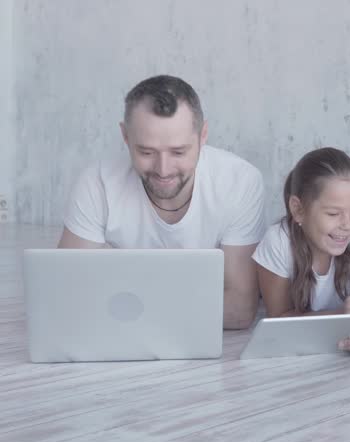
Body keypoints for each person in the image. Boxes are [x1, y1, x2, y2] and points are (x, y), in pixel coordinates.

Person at [59, 75, 266, 329]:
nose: (163, 169)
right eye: (146, 152)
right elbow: (68, 294)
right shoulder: (96, 182)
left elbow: (239, 310)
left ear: (203, 136)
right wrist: (195, 299)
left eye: (179, 152)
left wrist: (126, 294)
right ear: (125, 136)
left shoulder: (240, 182)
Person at [252, 147, 350, 356]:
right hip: (294, 354)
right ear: (298, 209)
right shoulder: (277, 241)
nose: (348, 225)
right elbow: (278, 323)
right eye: (333, 213)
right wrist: (342, 316)